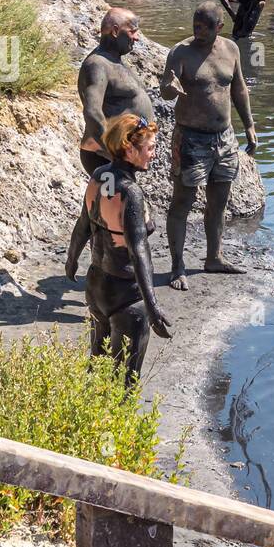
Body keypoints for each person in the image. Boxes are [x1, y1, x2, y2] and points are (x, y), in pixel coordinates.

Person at [65, 113, 173, 386]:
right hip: (127, 297)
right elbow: (139, 254)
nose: (154, 154)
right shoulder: (130, 193)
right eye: (149, 148)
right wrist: (153, 307)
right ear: (129, 148)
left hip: (96, 286)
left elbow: (83, 226)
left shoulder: (99, 177)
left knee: (97, 368)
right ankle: (116, 426)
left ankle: (86, 422)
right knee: (125, 382)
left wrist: (72, 259)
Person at [160, 1, 259, 287]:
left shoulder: (231, 49)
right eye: (195, 25)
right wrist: (169, 87)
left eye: (204, 27)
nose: (197, 31)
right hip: (191, 138)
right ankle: (177, 266)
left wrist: (250, 126)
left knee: (219, 200)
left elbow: (239, 88)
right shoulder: (181, 52)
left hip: (225, 137)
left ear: (219, 27)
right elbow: (166, 89)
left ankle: (214, 257)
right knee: (182, 201)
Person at [77, 8, 155, 175]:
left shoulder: (113, 60)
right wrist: (114, 154)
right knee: (111, 199)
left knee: (115, 199)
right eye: (132, 31)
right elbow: (92, 111)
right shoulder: (97, 64)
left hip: (117, 157)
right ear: (115, 31)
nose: (136, 37)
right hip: (103, 158)